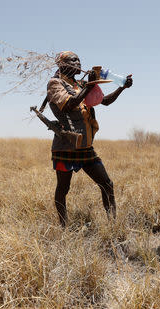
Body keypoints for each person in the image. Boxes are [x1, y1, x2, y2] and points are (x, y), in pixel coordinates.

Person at [46, 51, 132, 227]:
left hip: (85, 146)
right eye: (72, 60)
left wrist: (122, 87)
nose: (78, 62)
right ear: (61, 65)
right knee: (63, 188)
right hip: (66, 146)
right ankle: (64, 227)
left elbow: (104, 101)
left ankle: (112, 225)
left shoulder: (80, 84)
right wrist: (89, 85)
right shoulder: (55, 84)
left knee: (107, 184)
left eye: (79, 60)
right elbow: (69, 104)